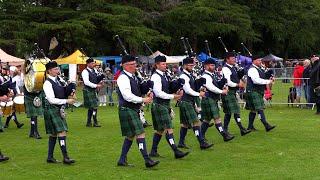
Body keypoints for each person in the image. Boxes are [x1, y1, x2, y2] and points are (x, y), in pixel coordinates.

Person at [116, 55, 159, 168]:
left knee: (130, 135)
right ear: (125, 66)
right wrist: (143, 99)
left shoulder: (134, 77)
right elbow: (127, 96)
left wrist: (147, 92)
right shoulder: (123, 78)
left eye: (135, 64)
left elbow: (139, 90)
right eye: (132, 64)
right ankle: (147, 160)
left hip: (132, 109)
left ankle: (121, 160)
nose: (135, 66)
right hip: (127, 108)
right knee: (140, 133)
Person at [149, 55, 189, 159]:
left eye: (165, 64)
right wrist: (173, 96)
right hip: (159, 105)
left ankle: (153, 151)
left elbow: (167, 88)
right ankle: (176, 151)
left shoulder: (164, 75)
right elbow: (158, 93)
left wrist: (177, 89)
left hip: (164, 104)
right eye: (163, 64)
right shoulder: (155, 76)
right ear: (157, 65)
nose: (165, 65)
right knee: (169, 128)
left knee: (160, 130)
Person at [43, 61, 76, 164]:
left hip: (58, 108)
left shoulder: (59, 80)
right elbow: (51, 99)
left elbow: (63, 91)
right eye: (55, 69)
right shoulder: (47, 83)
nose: (58, 71)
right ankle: (66, 157)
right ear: (49, 71)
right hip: (51, 109)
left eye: (58, 69)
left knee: (53, 134)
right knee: (61, 131)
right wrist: (67, 101)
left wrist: (71, 90)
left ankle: (50, 157)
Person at [177, 57, 213, 150]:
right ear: (184, 65)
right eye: (190, 65)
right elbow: (187, 90)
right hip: (186, 101)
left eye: (192, 65)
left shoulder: (190, 74)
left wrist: (200, 88)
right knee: (196, 122)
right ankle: (202, 142)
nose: (192, 67)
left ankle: (181, 142)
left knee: (185, 124)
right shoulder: (183, 76)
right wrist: (199, 94)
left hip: (189, 101)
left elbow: (193, 87)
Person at [200, 58, 234, 142]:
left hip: (212, 99)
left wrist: (222, 83)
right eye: (211, 65)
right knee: (217, 118)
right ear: (206, 66)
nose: (213, 67)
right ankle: (224, 135)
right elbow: (211, 87)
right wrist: (222, 91)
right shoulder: (205, 76)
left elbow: (216, 85)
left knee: (207, 120)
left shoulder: (212, 75)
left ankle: (201, 137)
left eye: (214, 65)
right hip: (209, 99)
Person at [221, 52, 250, 136]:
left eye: (235, 58)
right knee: (233, 111)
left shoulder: (233, 68)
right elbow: (228, 82)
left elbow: (236, 78)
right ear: (227, 59)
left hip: (232, 92)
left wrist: (241, 79)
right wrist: (238, 85)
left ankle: (228, 130)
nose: (234, 60)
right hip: (228, 92)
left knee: (230, 112)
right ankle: (241, 129)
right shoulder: (226, 69)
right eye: (232, 58)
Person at [245, 56, 276, 131]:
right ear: (254, 61)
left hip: (257, 91)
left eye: (260, 60)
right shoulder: (252, 69)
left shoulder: (258, 68)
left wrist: (270, 77)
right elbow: (256, 80)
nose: (260, 62)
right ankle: (266, 125)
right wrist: (268, 81)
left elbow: (263, 76)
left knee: (253, 110)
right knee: (260, 108)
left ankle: (250, 127)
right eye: (258, 60)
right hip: (253, 91)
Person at [81, 58, 104, 127]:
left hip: (93, 90)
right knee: (93, 107)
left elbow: (96, 79)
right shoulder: (85, 71)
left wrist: (102, 76)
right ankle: (94, 121)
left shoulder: (94, 70)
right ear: (88, 64)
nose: (93, 64)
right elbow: (86, 82)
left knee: (93, 107)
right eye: (92, 63)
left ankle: (90, 122)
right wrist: (96, 85)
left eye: (94, 63)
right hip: (88, 90)